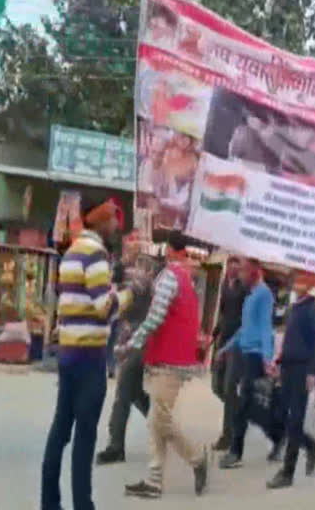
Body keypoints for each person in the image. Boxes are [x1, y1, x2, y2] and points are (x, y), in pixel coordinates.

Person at [41, 199, 131, 510]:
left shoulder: (72, 251)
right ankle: (83, 504)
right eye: (114, 220)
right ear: (101, 220)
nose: (117, 226)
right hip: (89, 357)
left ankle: (49, 502)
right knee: (84, 437)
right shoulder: (94, 253)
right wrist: (130, 293)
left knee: (60, 431)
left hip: (68, 354)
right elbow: (103, 307)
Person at [122, 232, 208, 499]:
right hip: (177, 358)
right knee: (156, 420)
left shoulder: (170, 276)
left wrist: (131, 343)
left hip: (167, 360)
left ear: (170, 250)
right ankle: (154, 480)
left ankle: (196, 459)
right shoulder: (188, 279)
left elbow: (156, 316)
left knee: (161, 420)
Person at [219, 258, 284, 469]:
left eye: (245, 271)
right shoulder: (251, 295)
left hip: (255, 357)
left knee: (243, 404)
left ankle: (235, 452)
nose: (240, 275)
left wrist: (267, 358)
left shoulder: (264, 295)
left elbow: (266, 328)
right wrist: (226, 347)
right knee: (253, 407)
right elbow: (244, 328)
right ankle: (277, 436)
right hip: (245, 353)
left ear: (255, 272)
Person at [266, 272, 315, 489]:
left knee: (295, 419)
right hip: (288, 368)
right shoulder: (296, 306)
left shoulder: (311, 309)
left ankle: (287, 472)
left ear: (310, 284)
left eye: (302, 279)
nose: (297, 283)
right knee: (281, 416)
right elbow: (292, 339)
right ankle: (311, 445)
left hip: (302, 371)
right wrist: (278, 359)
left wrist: (312, 372)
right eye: (295, 279)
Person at [96, 236, 154, 465]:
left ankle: (115, 446)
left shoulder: (141, 277)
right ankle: (165, 428)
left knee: (123, 393)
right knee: (135, 393)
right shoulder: (122, 272)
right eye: (126, 247)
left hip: (139, 339)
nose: (127, 252)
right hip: (128, 337)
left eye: (132, 248)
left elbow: (127, 301)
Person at [211, 256, 248, 451]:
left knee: (228, 387)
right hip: (223, 338)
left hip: (237, 343)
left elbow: (246, 317)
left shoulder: (244, 288)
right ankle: (239, 411)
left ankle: (227, 436)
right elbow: (224, 311)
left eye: (237, 267)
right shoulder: (224, 284)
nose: (233, 270)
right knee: (216, 385)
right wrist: (217, 329)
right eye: (231, 266)